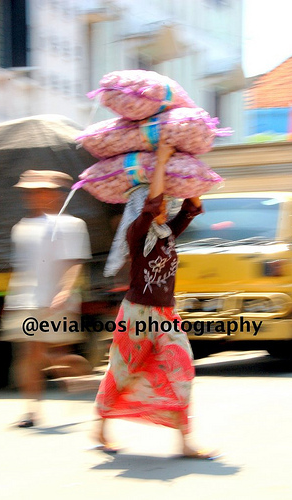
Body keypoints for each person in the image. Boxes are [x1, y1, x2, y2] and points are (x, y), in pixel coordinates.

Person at [94, 139, 215, 458]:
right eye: (158, 204)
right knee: (121, 372)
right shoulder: (137, 232)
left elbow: (191, 206)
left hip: (166, 315)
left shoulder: (168, 233)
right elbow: (152, 203)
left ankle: (185, 442)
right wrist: (161, 162)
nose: (164, 207)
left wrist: (191, 170)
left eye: (166, 204)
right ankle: (100, 427)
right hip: (136, 314)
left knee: (182, 367)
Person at [0, 170, 92, 427]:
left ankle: (90, 378)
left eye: (41, 190)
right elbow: (22, 267)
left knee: (52, 357)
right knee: (28, 355)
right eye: (30, 192)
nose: (35, 196)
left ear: (56, 195)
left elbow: (74, 263)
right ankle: (31, 412)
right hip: (23, 301)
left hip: (54, 300)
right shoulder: (21, 227)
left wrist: (65, 290)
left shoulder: (71, 224)